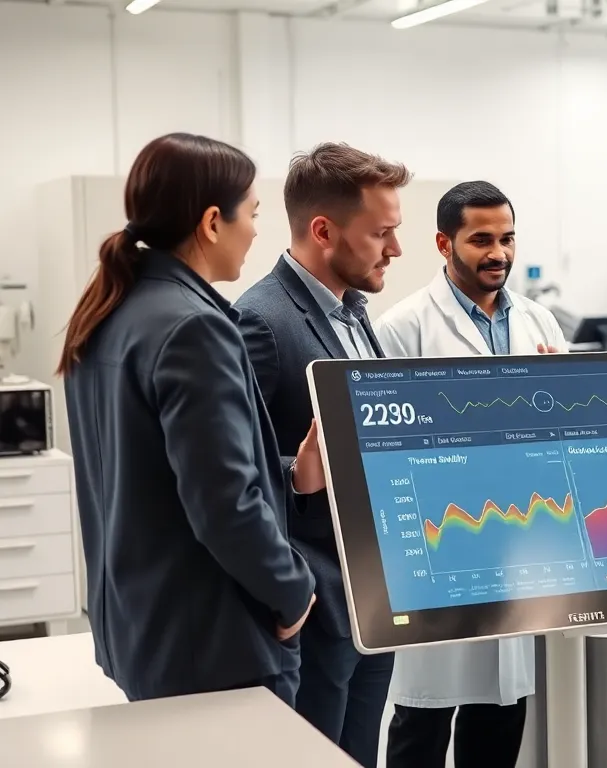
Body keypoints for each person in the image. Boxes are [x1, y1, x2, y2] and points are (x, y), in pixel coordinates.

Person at [57, 133, 321, 704]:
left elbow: (152, 478)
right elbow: (224, 503)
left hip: (143, 631)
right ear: (212, 223)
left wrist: (287, 475)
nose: (256, 231)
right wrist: (294, 589)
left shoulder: (108, 311)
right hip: (215, 647)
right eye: (252, 214)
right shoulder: (194, 328)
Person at [375, 180, 565, 768]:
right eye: (481, 240)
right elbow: (382, 451)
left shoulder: (539, 323)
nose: (498, 253)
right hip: (442, 544)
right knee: (423, 716)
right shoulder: (402, 328)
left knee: (502, 710)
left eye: (507, 238)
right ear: (444, 244)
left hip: (518, 543)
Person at [235, 143, 411, 768]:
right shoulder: (259, 320)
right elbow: (234, 470)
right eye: (381, 233)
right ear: (323, 231)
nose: (395, 249)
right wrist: (295, 473)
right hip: (317, 600)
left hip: (374, 592)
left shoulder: (356, 315)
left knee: (361, 754)